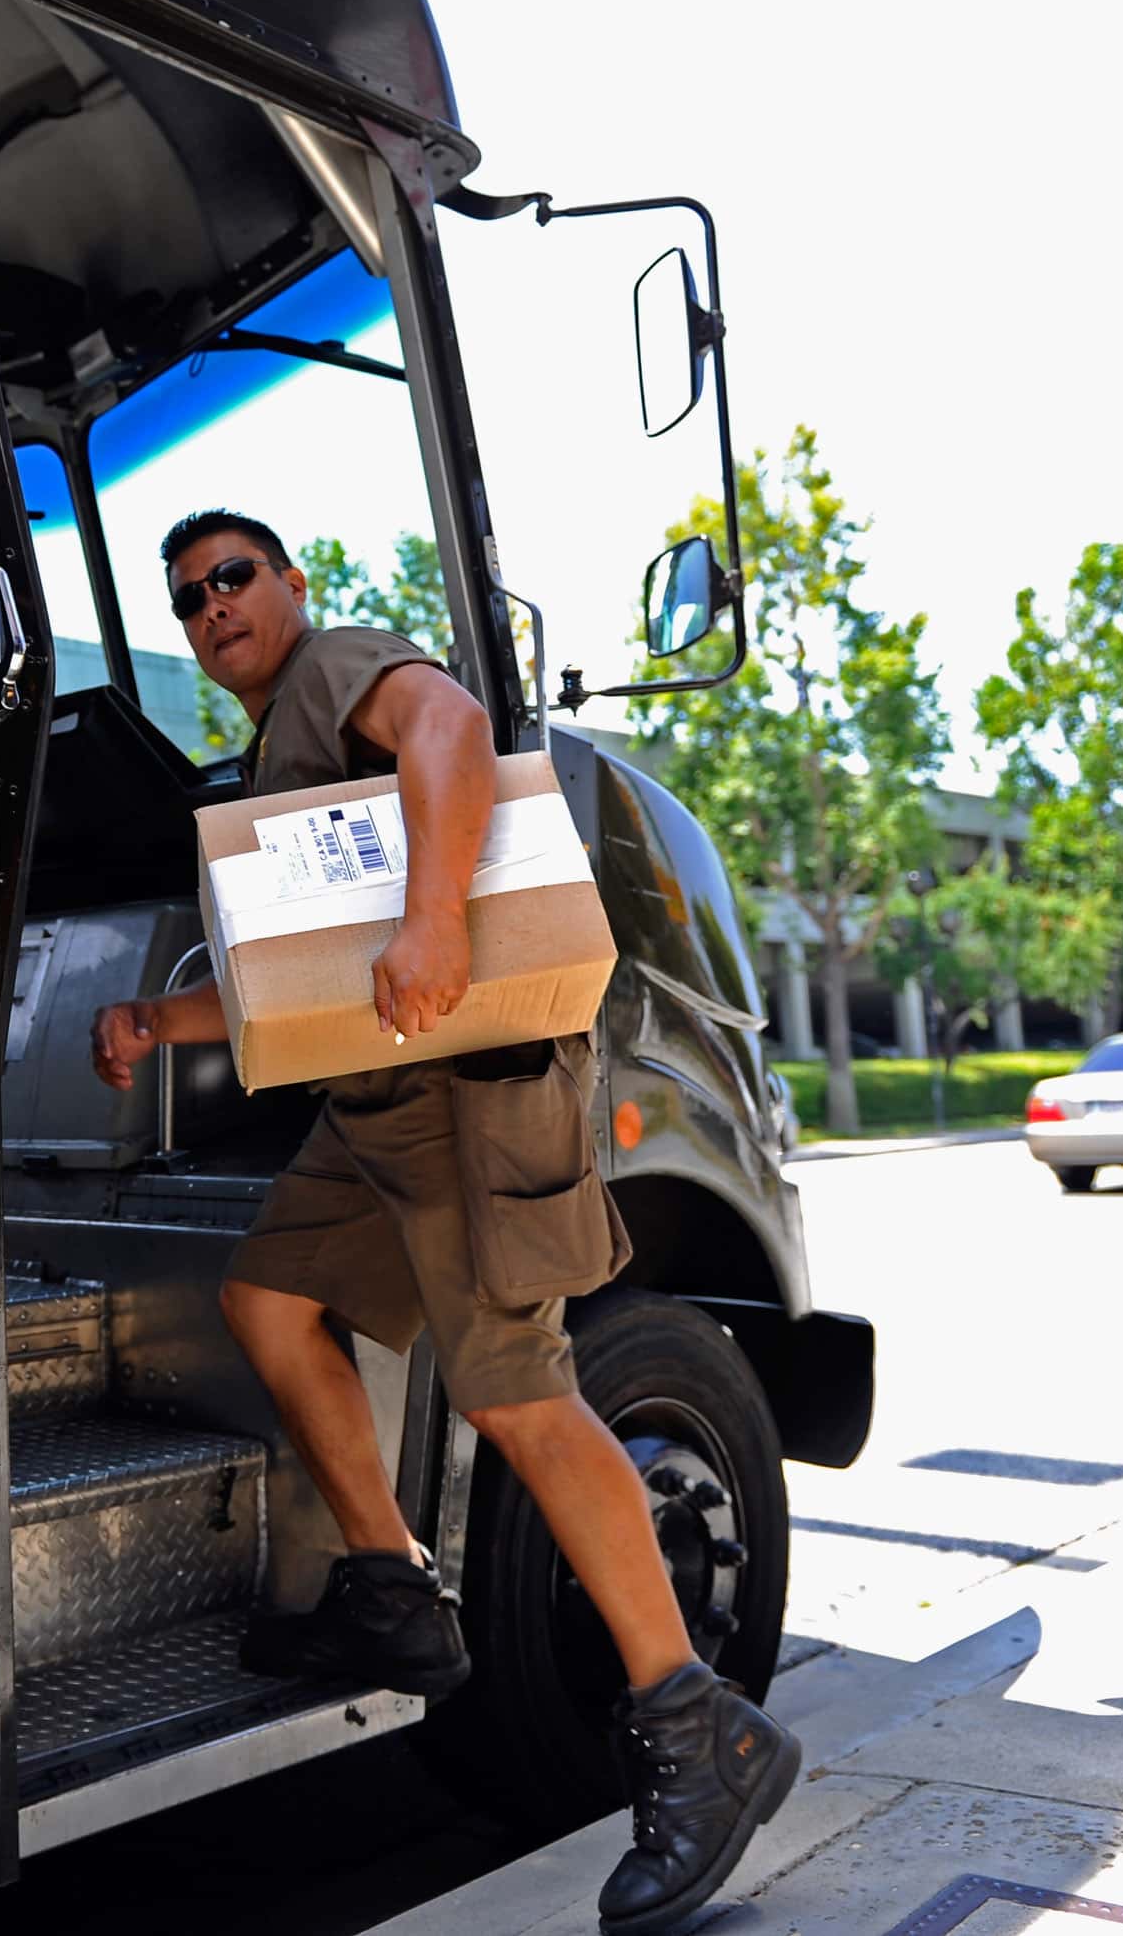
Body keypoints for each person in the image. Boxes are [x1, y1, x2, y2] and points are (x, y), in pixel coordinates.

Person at [89, 511, 799, 1935]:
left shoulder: (336, 663)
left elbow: (454, 727)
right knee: (271, 1303)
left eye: (234, 576)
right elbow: (303, 963)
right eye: (188, 597)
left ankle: (696, 1724)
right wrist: (154, 1020)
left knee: (521, 1397)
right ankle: (396, 1585)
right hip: (372, 1117)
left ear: (290, 584)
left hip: (472, 1105)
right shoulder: (271, 744)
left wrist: (434, 915)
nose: (213, 604)